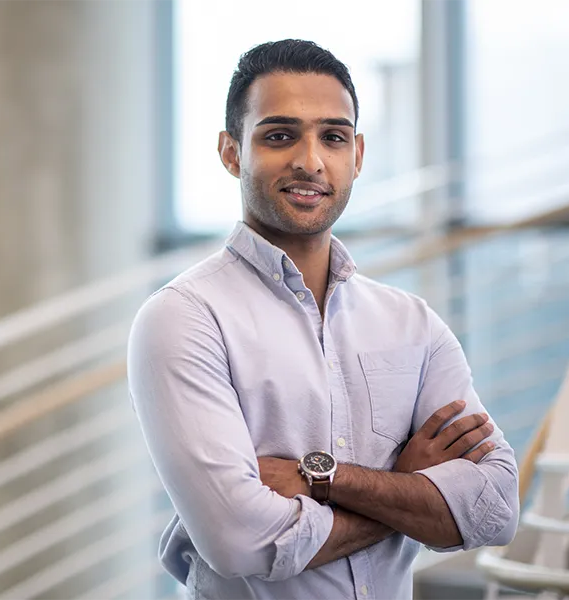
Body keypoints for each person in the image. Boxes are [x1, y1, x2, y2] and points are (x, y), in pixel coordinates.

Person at [128, 39, 518, 598]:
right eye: (280, 135)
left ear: (356, 154)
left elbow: (494, 508)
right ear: (231, 152)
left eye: (332, 137)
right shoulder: (184, 319)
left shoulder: (412, 324)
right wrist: (407, 491)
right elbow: (241, 540)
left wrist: (326, 480)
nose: (310, 160)